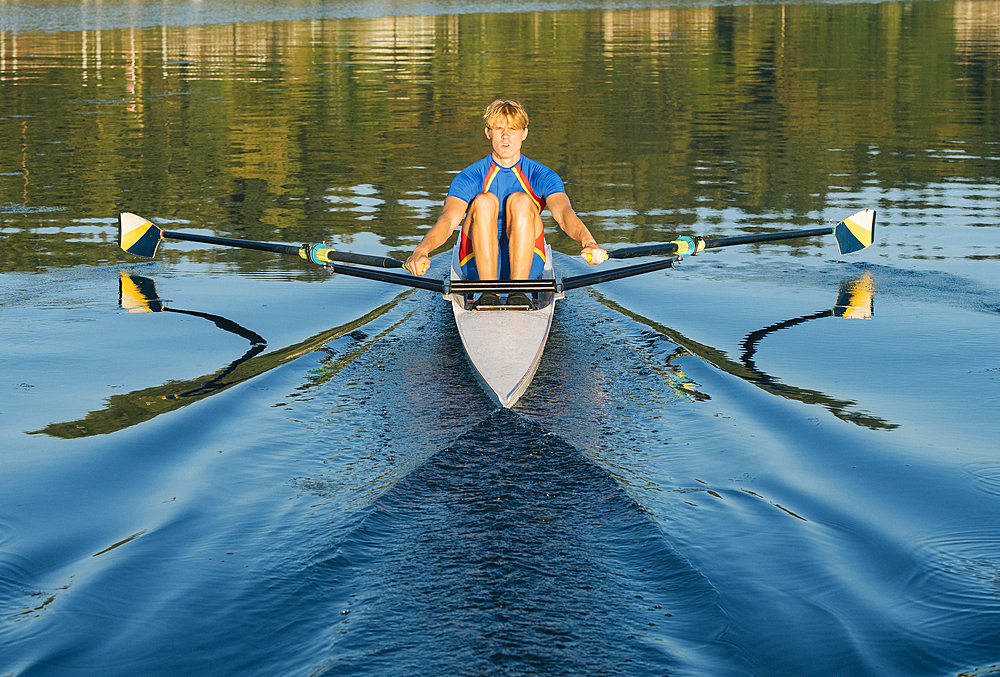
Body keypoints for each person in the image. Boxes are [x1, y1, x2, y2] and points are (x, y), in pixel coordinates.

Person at [405, 99, 607, 308]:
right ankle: (487, 292)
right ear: (487, 133)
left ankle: (517, 293)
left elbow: (565, 214)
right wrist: (422, 250)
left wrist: (588, 242)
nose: (506, 136)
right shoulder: (470, 176)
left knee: (520, 201)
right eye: (499, 128)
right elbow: (448, 220)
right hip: (475, 263)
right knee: (484, 202)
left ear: (524, 133)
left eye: (512, 129)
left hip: (529, 265)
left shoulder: (542, 175)